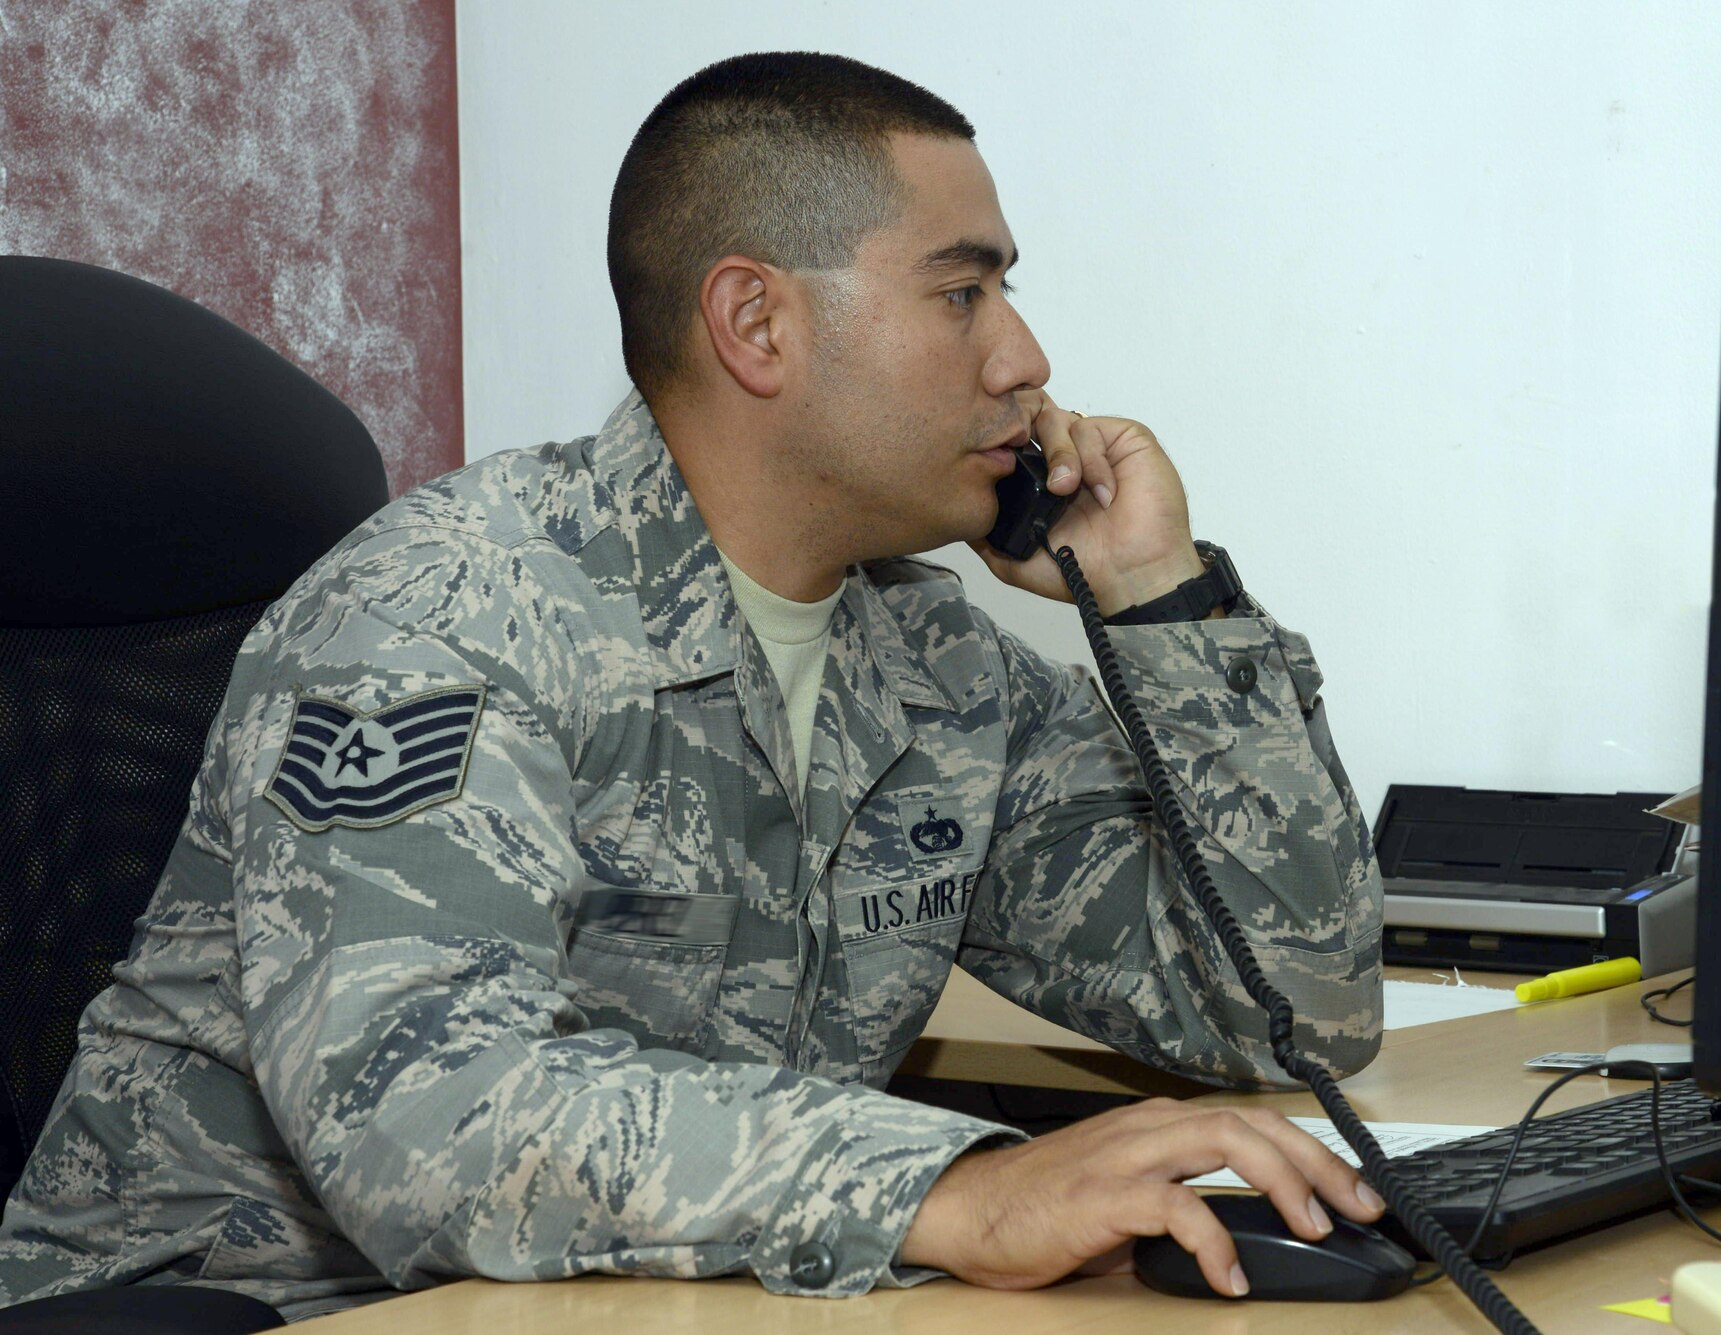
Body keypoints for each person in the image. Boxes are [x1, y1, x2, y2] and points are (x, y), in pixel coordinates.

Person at [0, 51, 1385, 1319]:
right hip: (249, 1309)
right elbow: (422, 1117)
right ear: (755, 323)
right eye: (964, 291)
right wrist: (947, 1188)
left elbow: (1288, 1015)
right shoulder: (442, 615)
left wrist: (1163, 605)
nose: (1023, 359)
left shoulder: (931, 666)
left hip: (648, 1301)